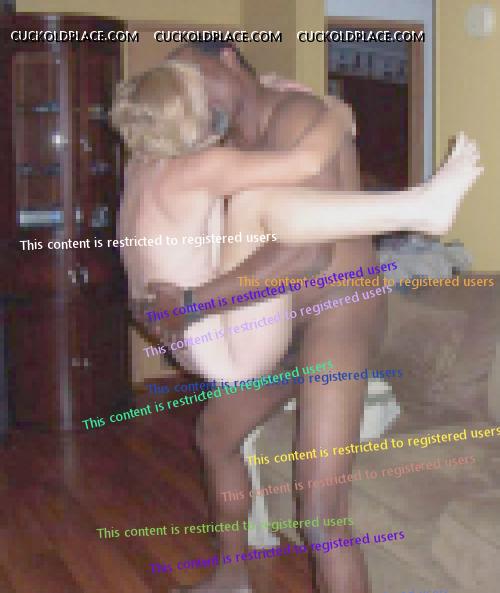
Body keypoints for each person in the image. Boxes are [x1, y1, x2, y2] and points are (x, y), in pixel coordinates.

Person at [112, 48, 482, 593]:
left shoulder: (299, 115)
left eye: (196, 72)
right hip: (278, 318)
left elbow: (306, 253)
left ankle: (420, 207)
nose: (191, 89)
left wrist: (192, 303)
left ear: (229, 59)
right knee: (215, 436)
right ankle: (233, 577)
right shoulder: (222, 142)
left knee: (320, 507)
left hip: (340, 311)